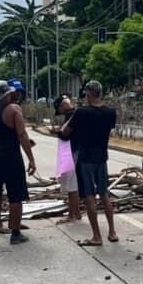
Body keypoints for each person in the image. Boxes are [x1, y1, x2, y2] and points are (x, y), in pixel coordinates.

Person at [0, 81, 36, 245]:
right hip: (11, 158)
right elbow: (22, 135)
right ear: (6, 95)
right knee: (15, 198)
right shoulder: (13, 110)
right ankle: (15, 234)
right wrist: (31, 159)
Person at [62, 81, 119, 245]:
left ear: (88, 93)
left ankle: (96, 236)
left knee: (89, 197)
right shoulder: (110, 112)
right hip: (102, 157)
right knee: (104, 194)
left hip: (85, 158)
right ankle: (112, 232)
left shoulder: (82, 112)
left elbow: (66, 131)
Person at [51, 95, 82, 224]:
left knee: (71, 185)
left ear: (63, 106)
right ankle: (77, 212)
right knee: (73, 185)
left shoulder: (72, 115)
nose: (61, 113)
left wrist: (55, 132)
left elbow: (65, 135)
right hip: (78, 151)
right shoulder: (77, 113)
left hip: (72, 152)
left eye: (60, 110)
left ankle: (72, 215)